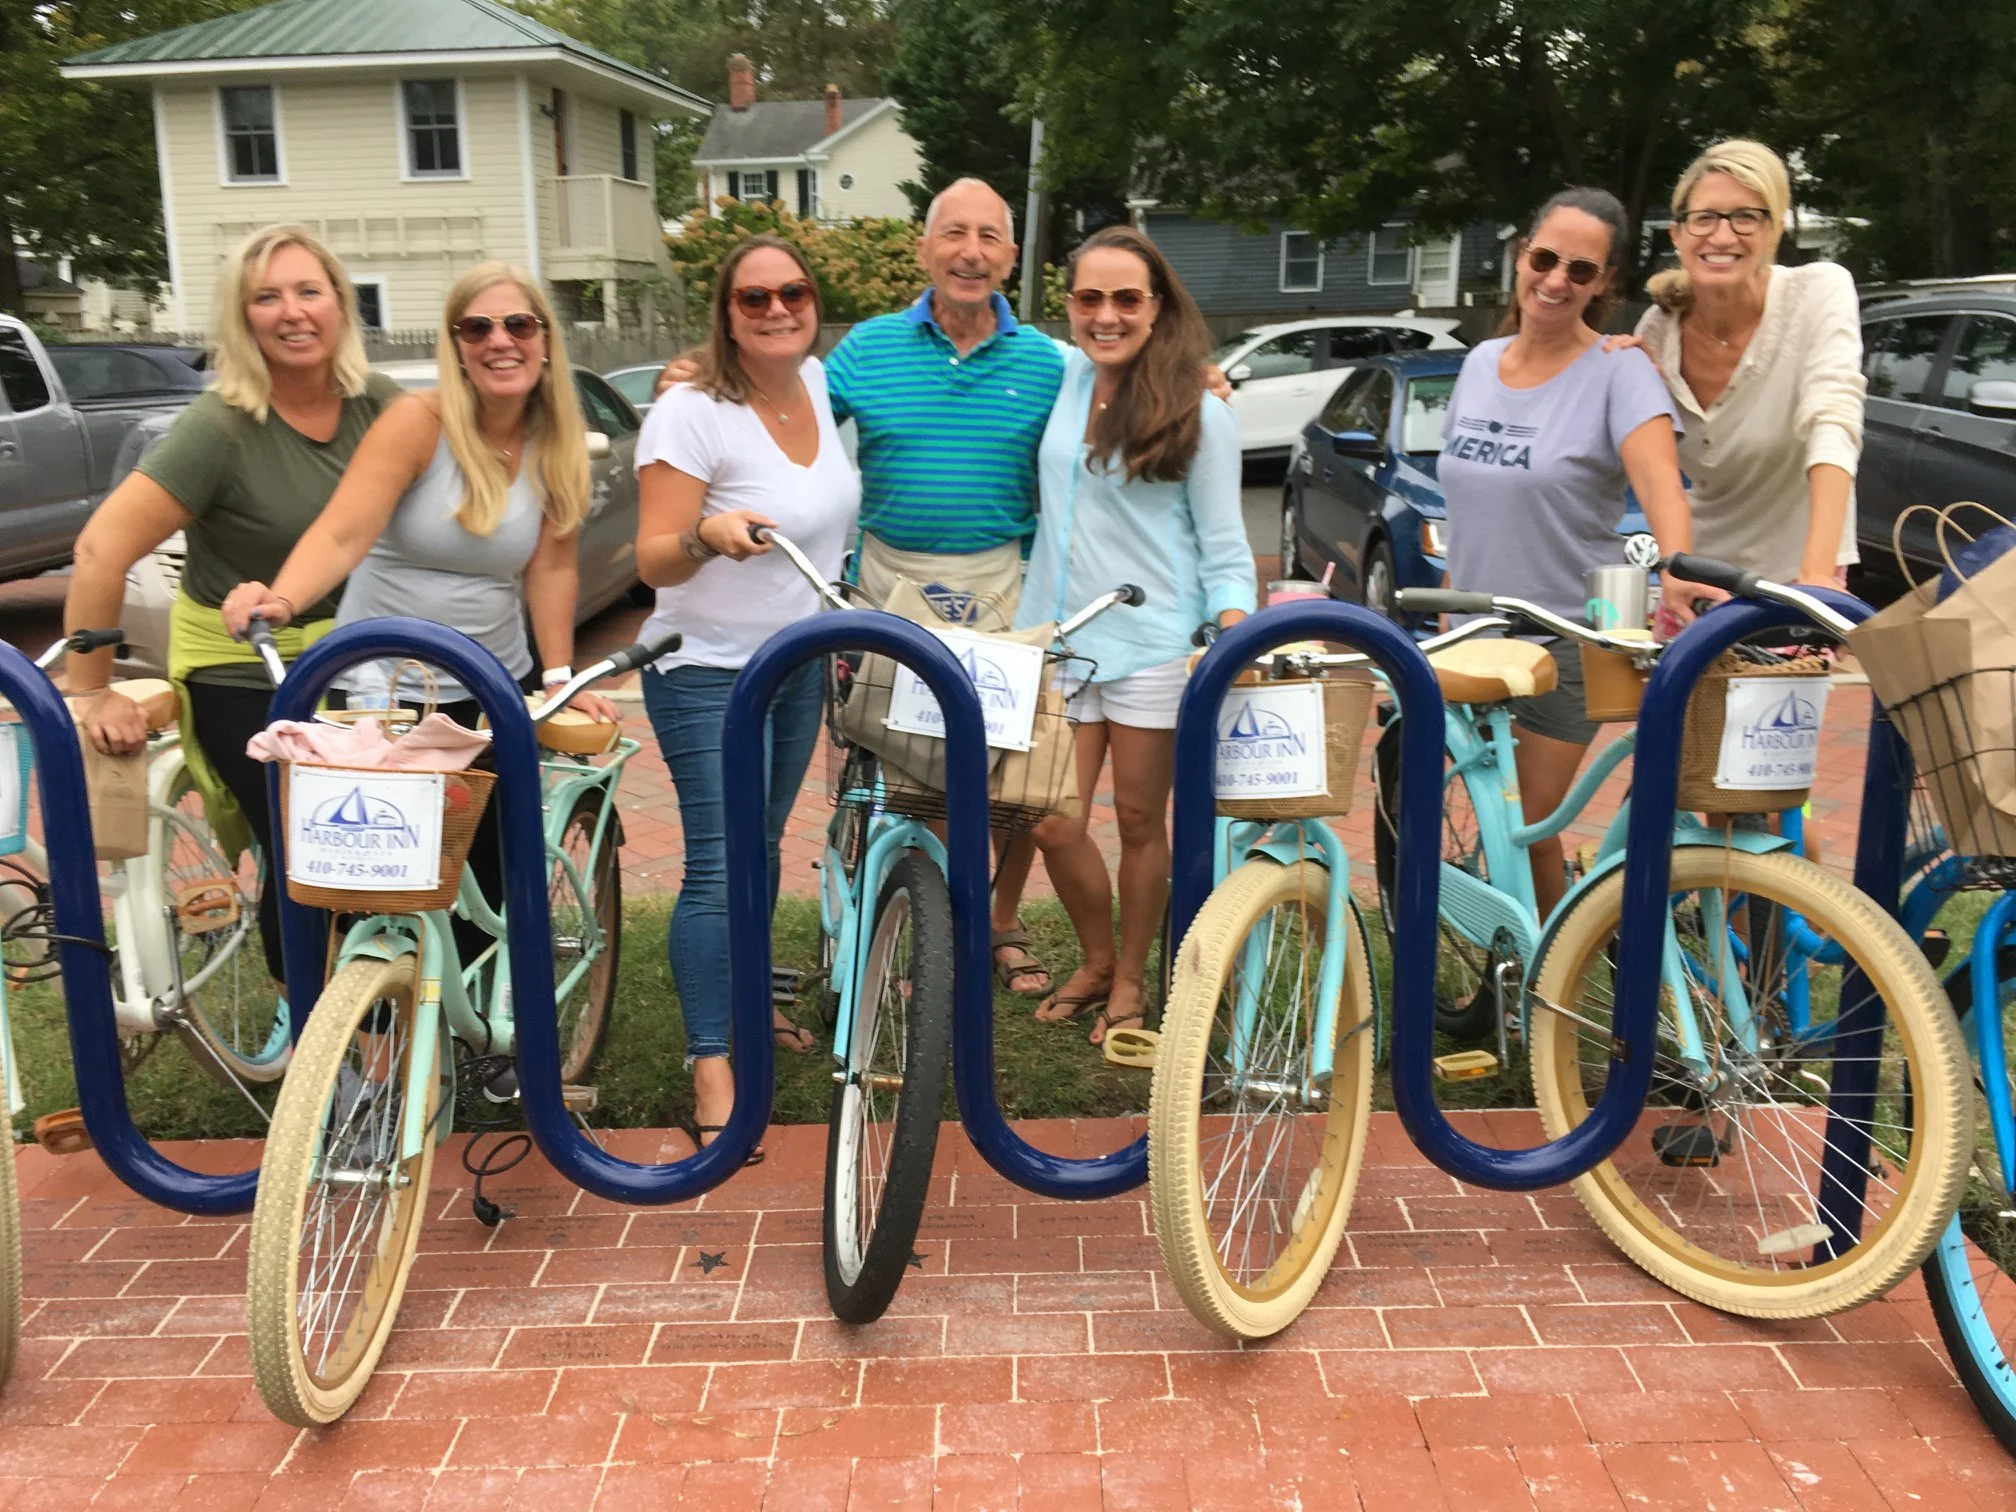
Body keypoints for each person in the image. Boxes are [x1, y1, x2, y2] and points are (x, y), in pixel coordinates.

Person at [658, 180, 1066, 1002]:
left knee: (1012, 778)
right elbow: (774, 397)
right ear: (925, 251)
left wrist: (1197, 374)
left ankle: (998, 921)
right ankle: (901, 920)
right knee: (906, 774)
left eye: (990, 237)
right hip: (890, 584)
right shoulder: (861, 352)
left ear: (1012, 259)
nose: (971, 251)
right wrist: (702, 367)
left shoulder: (1050, 361)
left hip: (1001, 585)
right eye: (954, 232)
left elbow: (1123, 391)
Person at [220, 262, 617, 978]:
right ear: (457, 345)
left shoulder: (556, 441)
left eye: (519, 324)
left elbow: (552, 566)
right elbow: (343, 532)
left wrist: (558, 673)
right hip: (378, 684)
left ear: (545, 341)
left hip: (489, 686)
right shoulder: (418, 423)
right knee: (367, 872)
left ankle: (486, 1038)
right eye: (478, 327)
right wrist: (281, 598)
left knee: (485, 876)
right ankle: (364, 1040)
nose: (501, 341)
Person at [65, 224, 404, 984]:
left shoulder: (381, 405)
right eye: (267, 297)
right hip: (242, 661)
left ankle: (392, 1005)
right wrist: (89, 691)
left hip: (359, 654)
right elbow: (100, 550)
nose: (293, 312)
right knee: (311, 839)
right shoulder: (217, 427)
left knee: (401, 833)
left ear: (341, 305)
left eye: (309, 291)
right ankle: (319, 1035)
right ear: (242, 318)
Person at [633, 234, 861, 1161]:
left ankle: (749, 1014)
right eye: (752, 299)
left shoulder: (811, 382)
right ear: (725, 312)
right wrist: (706, 533)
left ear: (813, 301)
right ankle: (712, 1065)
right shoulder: (689, 411)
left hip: (795, 660)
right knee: (721, 863)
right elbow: (649, 555)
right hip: (704, 668)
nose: (776, 310)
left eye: (792, 293)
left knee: (764, 851)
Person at [1018, 226, 1255, 1046]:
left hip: (1155, 646)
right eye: (1090, 298)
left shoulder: (1199, 408)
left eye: (1127, 299)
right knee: (1050, 818)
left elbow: (1226, 550)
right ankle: (1095, 954)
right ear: (1071, 304)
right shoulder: (1061, 373)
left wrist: (1231, 638)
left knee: (1142, 823)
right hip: (1062, 640)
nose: (1107, 315)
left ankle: (1129, 976)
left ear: (1158, 308)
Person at [1439, 187, 1694, 921]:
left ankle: (1555, 983)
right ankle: (1512, 955)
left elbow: (1660, 486)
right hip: (1473, 637)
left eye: (1579, 271)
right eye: (1544, 258)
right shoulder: (1480, 363)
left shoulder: (1619, 370)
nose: (1555, 281)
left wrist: (1679, 570)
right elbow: (1466, 506)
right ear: (1522, 253)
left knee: (1528, 825)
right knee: (1489, 816)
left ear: (1604, 284)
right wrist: (1447, 622)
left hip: (1568, 640)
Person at [1630, 140, 1864, 598]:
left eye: (1745, 217)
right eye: (1705, 218)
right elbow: (1640, 456)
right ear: (1677, 234)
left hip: (1799, 571)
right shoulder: (1656, 331)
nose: (1722, 236)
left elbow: (1834, 422)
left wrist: (1816, 578)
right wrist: (1613, 367)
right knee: (1674, 673)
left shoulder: (1818, 292)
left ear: (1773, 230)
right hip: (1698, 578)